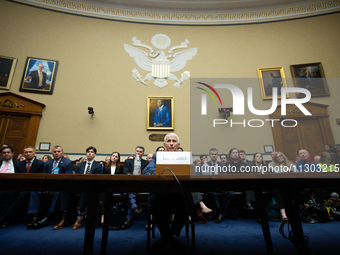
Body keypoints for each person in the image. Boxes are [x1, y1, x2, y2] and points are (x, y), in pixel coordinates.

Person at [146, 133, 193, 254]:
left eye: (173, 141)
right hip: (162, 193)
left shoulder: (185, 156)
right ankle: (171, 240)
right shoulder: (157, 156)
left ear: (178, 145)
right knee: (155, 203)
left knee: (188, 202)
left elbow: (193, 171)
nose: (171, 143)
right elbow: (147, 170)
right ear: (164, 144)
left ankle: (167, 238)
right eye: (168, 141)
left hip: (180, 193)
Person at [30, 145, 74, 230]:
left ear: (62, 153)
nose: (56, 153)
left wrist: (54, 187)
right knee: (34, 191)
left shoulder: (68, 163)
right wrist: (46, 187)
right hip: (47, 187)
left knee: (58, 193)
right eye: (55, 152)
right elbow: (44, 177)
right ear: (52, 153)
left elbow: (67, 179)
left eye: (58, 151)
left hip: (59, 188)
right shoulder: (47, 163)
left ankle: (48, 216)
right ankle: (34, 216)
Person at [71, 146, 102, 230]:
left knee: (86, 191)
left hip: (91, 188)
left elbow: (96, 180)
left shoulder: (98, 166)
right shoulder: (80, 165)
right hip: (79, 187)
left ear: (95, 154)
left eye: (91, 152)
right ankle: (65, 217)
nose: (89, 153)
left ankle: (80, 217)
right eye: (88, 152)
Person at [122, 146, 149, 229]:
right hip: (131, 182)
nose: (139, 153)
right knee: (131, 187)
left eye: (141, 152)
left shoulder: (146, 163)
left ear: (143, 154)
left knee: (130, 191)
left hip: (142, 184)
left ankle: (130, 214)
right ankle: (134, 208)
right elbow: (125, 172)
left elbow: (147, 173)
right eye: (137, 151)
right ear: (135, 152)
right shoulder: (128, 161)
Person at [271, 151, 297, 222]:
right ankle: (284, 215)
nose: (279, 158)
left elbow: (297, 174)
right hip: (279, 185)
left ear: (284, 157)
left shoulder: (291, 165)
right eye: (277, 157)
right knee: (277, 191)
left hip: (290, 184)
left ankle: (294, 213)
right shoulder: (273, 166)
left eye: (280, 156)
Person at [0, 147, 22, 228]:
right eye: (4, 153)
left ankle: (4, 219)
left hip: (12, 187)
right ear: (1, 155)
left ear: (12, 154)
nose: (6, 154)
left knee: (10, 194)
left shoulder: (18, 164)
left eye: (8, 152)